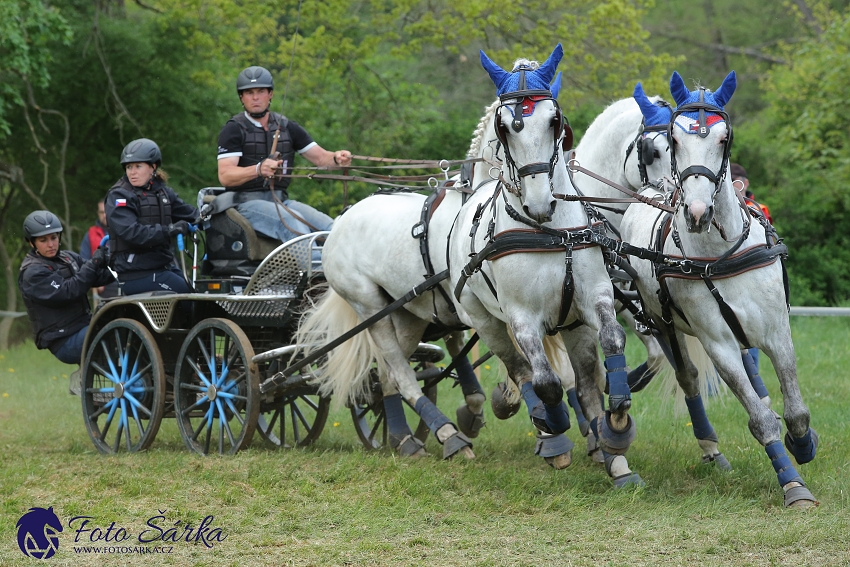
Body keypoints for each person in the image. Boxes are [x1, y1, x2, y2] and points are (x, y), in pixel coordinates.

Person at [216, 66, 352, 242]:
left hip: (281, 201)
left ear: (270, 94)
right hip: (244, 204)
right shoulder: (233, 129)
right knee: (291, 222)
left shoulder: (287, 126)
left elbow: (320, 158)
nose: (255, 97)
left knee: (333, 229)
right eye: (249, 92)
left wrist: (337, 158)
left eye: (261, 91)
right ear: (242, 97)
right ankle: (313, 268)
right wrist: (258, 169)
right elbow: (225, 175)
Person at [18, 210, 114, 365]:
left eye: (54, 238)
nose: (51, 244)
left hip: (84, 327)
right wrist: (94, 263)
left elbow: (98, 276)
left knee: (126, 320)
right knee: (115, 328)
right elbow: (68, 291)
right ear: (31, 242)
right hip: (64, 342)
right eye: (43, 240)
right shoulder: (32, 273)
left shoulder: (68, 258)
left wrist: (121, 263)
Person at [105, 138, 199, 295]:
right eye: (129, 167)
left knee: (199, 294)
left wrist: (212, 215)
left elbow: (192, 214)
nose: (132, 172)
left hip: (161, 266)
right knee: (189, 299)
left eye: (138, 166)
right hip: (135, 272)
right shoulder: (119, 195)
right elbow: (131, 232)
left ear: (153, 167)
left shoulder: (162, 193)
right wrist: (169, 230)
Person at [80, 198, 119, 301]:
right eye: (102, 212)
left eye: (107, 212)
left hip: (125, 282)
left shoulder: (124, 231)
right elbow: (83, 263)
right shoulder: (90, 235)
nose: (105, 215)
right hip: (103, 287)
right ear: (98, 213)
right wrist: (93, 283)